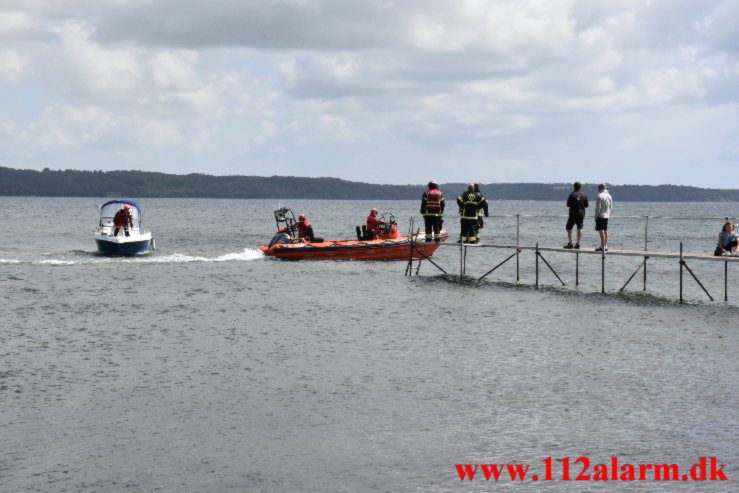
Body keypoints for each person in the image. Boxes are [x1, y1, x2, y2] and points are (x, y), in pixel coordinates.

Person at [564, 181, 588, 249]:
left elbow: (568, 204)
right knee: (580, 228)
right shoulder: (584, 195)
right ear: (580, 187)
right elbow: (586, 205)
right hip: (581, 214)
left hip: (573, 213)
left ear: (574, 187)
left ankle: (570, 243)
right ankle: (578, 244)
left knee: (569, 228)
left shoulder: (572, 194)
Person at [594, 183, 612, 252]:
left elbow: (597, 208)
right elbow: (610, 207)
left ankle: (602, 246)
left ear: (599, 188)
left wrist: (596, 217)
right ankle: (606, 245)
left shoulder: (599, 196)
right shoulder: (609, 196)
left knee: (601, 231)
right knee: (605, 230)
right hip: (607, 215)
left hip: (600, 216)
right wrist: (608, 214)